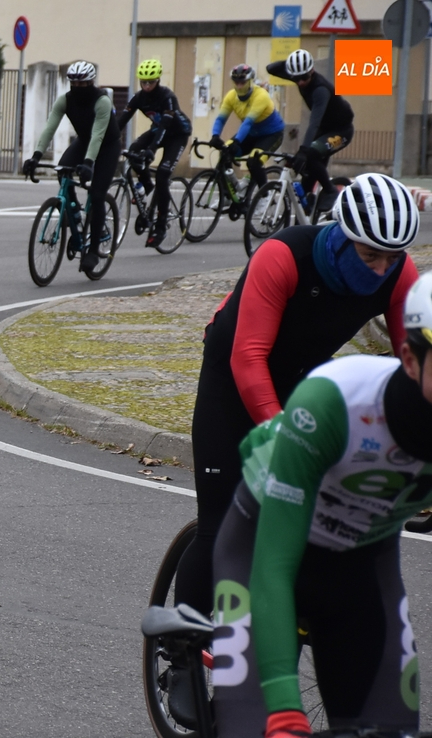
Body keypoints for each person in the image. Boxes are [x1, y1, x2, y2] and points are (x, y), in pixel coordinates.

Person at [168, 173, 421, 726]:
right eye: (371, 254)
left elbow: (409, 369)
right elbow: (248, 360)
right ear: (343, 233)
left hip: (305, 381)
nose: (381, 267)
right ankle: (180, 650)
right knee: (219, 521)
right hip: (236, 379)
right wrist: (286, 438)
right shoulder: (285, 255)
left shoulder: (399, 274)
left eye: (392, 257)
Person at [208, 272, 432, 738]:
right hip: (262, 550)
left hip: (363, 565)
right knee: (258, 726)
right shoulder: (334, 401)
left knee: (393, 727)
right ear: (409, 358)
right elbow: (272, 567)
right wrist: (287, 713)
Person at [21, 60, 120, 272]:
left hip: (107, 146)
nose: (78, 88)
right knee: (63, 169)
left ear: (91, 82)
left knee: (96, 194)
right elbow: (50, 128)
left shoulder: (101, 101)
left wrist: (88, 163)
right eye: (73, 83)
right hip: (84, 140)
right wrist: (35, 157)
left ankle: (93, 250)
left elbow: (98, 135)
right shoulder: (64, 101)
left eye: (83, 84)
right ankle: (74, 212)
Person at [266, 48, 355, 214]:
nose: (300, 83)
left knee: (311, 153)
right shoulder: (299, 75)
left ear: (311, 71)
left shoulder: (320, 90)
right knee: (306, 176)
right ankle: (308, 210)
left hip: (341, 131)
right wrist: (293, 64)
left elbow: (314, 122)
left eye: (304, 78)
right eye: (296, 78)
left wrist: (304, 150)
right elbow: (271, 69)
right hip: (324, 130)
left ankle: (330, 190)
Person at [116, 59, 192, 249]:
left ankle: (160, 225)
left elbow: (165, 126)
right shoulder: (139, 97)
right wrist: (107, 141)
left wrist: (152, 149)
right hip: (158, 130)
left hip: (177, 135)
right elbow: (121, 120)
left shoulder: (167, 97)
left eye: (151, 82)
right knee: (133, 151)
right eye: (144, 82)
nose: (147, 86)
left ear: (157, 80)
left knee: (163, 173)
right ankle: (147, 186)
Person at [209, 64, 284, 204]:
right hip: (251, 134)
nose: (239, 86)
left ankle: (265, 198)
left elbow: (248, 122)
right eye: (236, 82)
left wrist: (237, 141)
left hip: (272, 134)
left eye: (242, 82)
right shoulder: (231, 96)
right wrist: (215, 136)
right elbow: (221, 119)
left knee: (254, 161)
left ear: (250, 81)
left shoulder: (261, 95)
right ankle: (228, 194)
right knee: (224, 153)